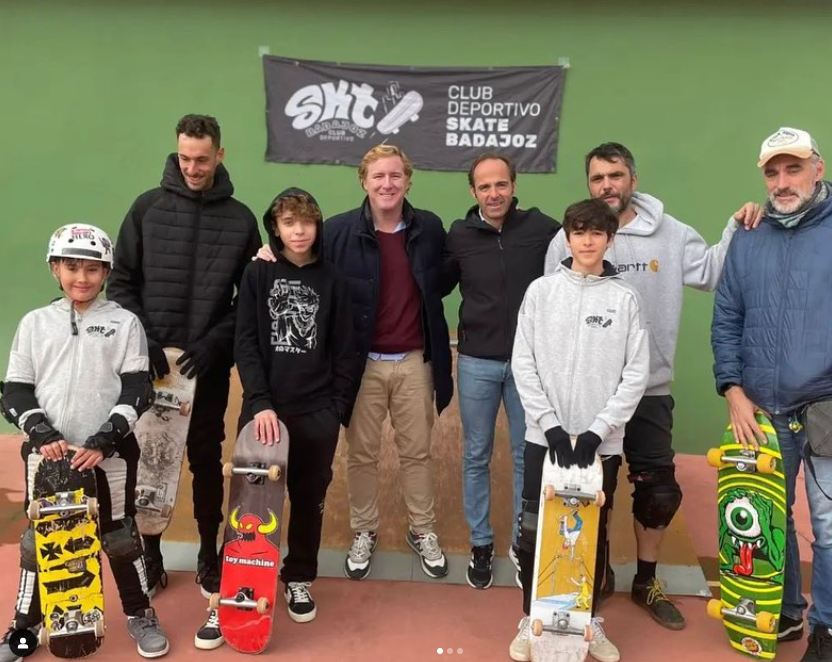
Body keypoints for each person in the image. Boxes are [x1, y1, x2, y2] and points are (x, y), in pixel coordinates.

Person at [543, 143, 761, 628]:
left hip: (650, 391)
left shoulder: (671, 233)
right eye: (597, 178)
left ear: (633, 179)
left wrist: (735, 227)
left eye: (615, 176)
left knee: (658, 492)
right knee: (591, 490)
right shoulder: (568, 239)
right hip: (588, 394)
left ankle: (645, 580)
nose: (607, 186)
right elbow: (553, 311)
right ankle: (591, 579)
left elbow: (712, 271)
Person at [712, 127, 832, 662]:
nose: (782, 180)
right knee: (773, 516)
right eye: (772, 171)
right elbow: (728, 317)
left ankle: (831, 629)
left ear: (818, 167)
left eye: (793, 168)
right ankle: (787, 610)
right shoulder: (750, 234)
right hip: (762, 407)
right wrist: (732, 387)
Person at [256, 145, 453, 578]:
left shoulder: (430, 228)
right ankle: (365, 529)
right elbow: (299, 258)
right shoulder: (340, 231)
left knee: (416, 453)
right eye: (378, 176)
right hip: (361, 364)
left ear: (408, 180)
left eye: (396, 176)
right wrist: (267, 252)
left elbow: (445, 278)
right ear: (364, 180)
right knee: (361, 455)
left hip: (415, 361)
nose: (387, 184)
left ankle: (422, 529)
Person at [105, 114, 261, 645]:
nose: (192, 167)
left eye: (202, 158)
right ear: (177, 153)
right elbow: (122, 279)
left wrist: (215, 343)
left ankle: (208, 554)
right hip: (147, 368)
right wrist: (143, 339)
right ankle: (149, 554)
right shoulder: (147, 207)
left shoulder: (241, 220)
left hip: (205, 369)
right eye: (185, 157)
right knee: (144, 458)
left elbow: (248, 298)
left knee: (202, 459)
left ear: (220, 154)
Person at [189, 188, 358, 649]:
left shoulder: (334, 280)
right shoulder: (258, 274)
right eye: (289, 222)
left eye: (307, 221)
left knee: (308, 498)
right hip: (264, 411)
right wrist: (260, 401)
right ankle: (228, 596)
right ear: (276, 227)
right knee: (249, 508)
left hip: (317, 412)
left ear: (317, 226)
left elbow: (346, 349)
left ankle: (298, 576)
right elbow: (245, 342)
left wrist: (336, 409)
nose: (299, 230)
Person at [0, 224, 169, 660]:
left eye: (93, 269)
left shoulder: (124, 323)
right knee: (40, 540)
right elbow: (16, 391)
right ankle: (23, 629)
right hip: (47, 455)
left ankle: (139, 613)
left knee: (118, 536)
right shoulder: (35, 324)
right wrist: (43, 434)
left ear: (106, 272)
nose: (82, 277)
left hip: (106, 454)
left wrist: (105, 440)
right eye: (71, 267)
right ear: (55, 269)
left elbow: (138, 389)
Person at [510, 198, 649, 662]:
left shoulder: (624, 298)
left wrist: (597, 431)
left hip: (599, 445)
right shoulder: (541, 292)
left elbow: (636, 373)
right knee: (535, 530)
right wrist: (550, 426)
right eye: (579, 232)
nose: (587, 241)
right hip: (543, 439)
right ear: (567, 237)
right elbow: (523, 362)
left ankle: (587, 623)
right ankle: (532, 622)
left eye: (597, 233)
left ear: (610, 238)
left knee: (592, 535)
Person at [442, 153, 560, 589]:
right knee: (476, 454)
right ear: (473, 192)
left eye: (501, 185)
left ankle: (521, 542)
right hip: (476, 362)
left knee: (524, 456)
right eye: (485, 187)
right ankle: (481, 544)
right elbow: (434, 283)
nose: (494, 194)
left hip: (529, 365)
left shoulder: (544, 230)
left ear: (514, 185)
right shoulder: (459, 235)